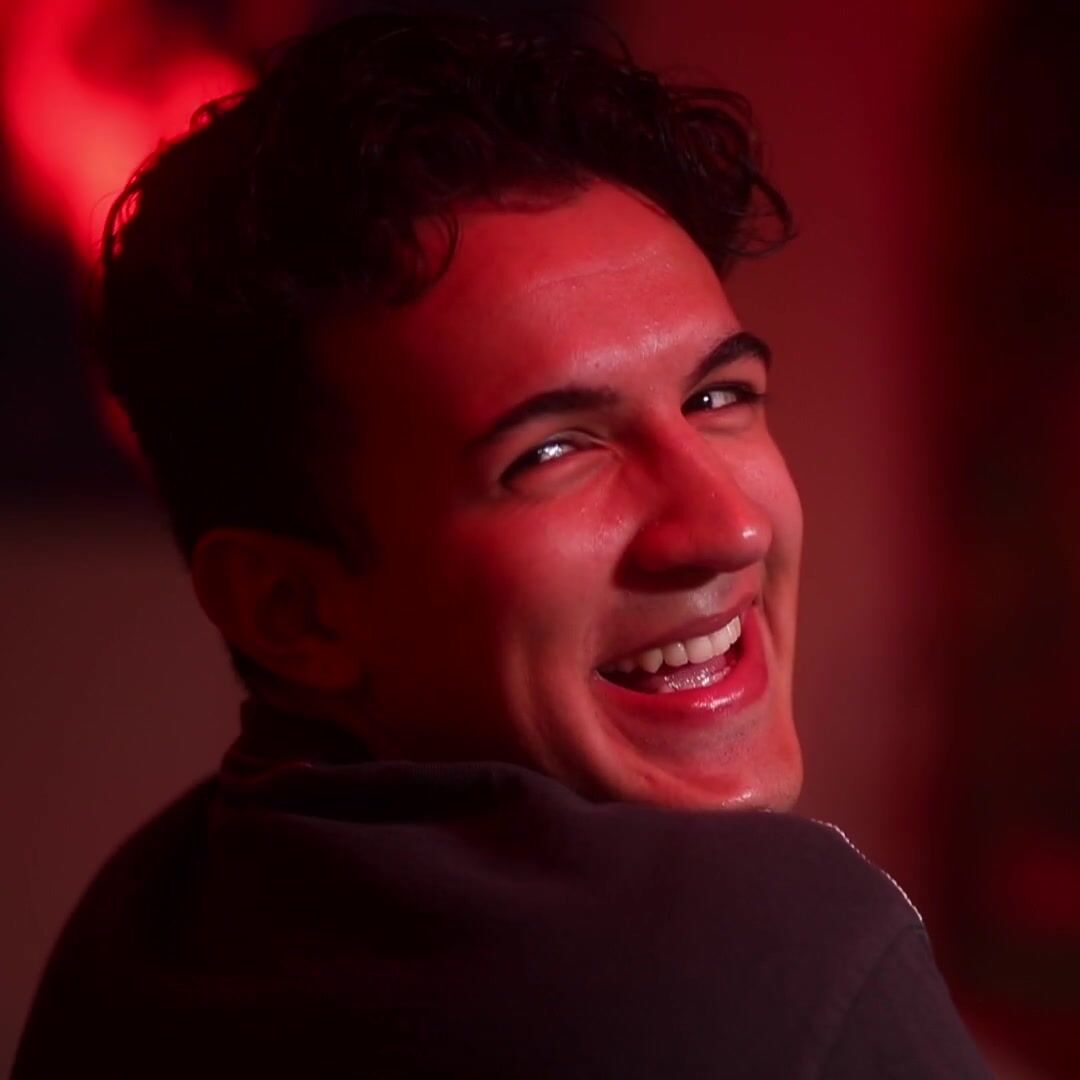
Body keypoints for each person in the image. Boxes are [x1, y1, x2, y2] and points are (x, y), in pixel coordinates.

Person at [14, 13, 988, 1078]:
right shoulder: (773, 947)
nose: (729, 527)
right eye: (553, 452)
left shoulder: (139, 925)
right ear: (291, 609)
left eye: (717, 396)